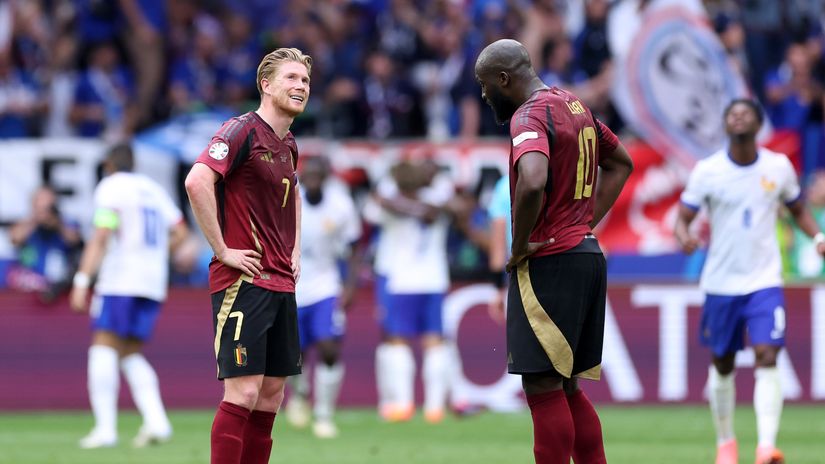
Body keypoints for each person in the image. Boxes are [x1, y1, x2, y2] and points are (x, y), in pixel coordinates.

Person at [474, 38, 633, 464]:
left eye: (485, 85)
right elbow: (621, 162)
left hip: (550, 261)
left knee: (542, 387)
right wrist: (584, 222)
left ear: (504, 78)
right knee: (566, 386)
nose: (484, 94)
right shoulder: (574, 105)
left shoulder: (528, 114)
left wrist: (520, 243)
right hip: (585, 253)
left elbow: (532, 179)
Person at [674, 98, 825, 464]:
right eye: (732, 114)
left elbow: (798, 209)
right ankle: (726, 444)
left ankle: (766, 447)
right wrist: (684, 236)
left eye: (744, 114)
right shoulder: (708, 171)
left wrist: (818, 237)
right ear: (726, 125)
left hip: (764, 280)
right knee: (723, 362)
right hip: (721, 282)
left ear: (758, 125)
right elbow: (683, 218)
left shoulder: (778, 167)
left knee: (767, 354)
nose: (737, 118)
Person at [183, 47, 310, 464]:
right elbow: (197, 181)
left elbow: (294, 196)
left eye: (305, 80)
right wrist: (221, 249)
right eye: (291, 78)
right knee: (244, 391)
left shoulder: (288, 144)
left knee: (271, 396)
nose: (300, 86)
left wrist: (294, 248)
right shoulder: (241, 131)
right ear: (266, 85)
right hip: (245, 281)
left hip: (281, 281)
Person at [69, 143, 188, 449]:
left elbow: (102, 233)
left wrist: (82, 279)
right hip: (152, 282)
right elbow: (180, 232)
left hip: (120, 279)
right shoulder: (153, 190)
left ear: (109, 165)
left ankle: (105, 429)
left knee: (103, 347)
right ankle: (157, 422)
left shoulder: (111, 188)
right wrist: (156, 257)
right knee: (129, 353)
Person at [365, 158, 455, 423]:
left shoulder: (389, 203)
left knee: (398, 340)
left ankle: (403, 404)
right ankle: (434, 408)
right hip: (434, 278)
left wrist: (393, 200)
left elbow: (371, 212)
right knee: (434, 341)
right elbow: (452, 209)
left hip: (401, 280)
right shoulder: (437, 198)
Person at [285, 156, 362, 439]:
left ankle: (324, 413)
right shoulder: (288, 201)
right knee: (294, 354)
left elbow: (354, 247)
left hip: (326, 286)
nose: (314, 180)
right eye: (310, 175)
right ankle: (301, 393)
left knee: (329, 348)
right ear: (303, 177)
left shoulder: (341, 205)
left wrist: (351, 285)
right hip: (292, 286)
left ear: (327, 177)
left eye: (320, 175)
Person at [8, 186, 82, 299]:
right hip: (30, 288)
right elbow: (15, 238)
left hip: (59, 287)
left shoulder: (66, 222)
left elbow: (74, 239)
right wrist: (35, 219)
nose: (45, 210)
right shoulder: (27, 224)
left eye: (48, 205)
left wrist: (57, 223)